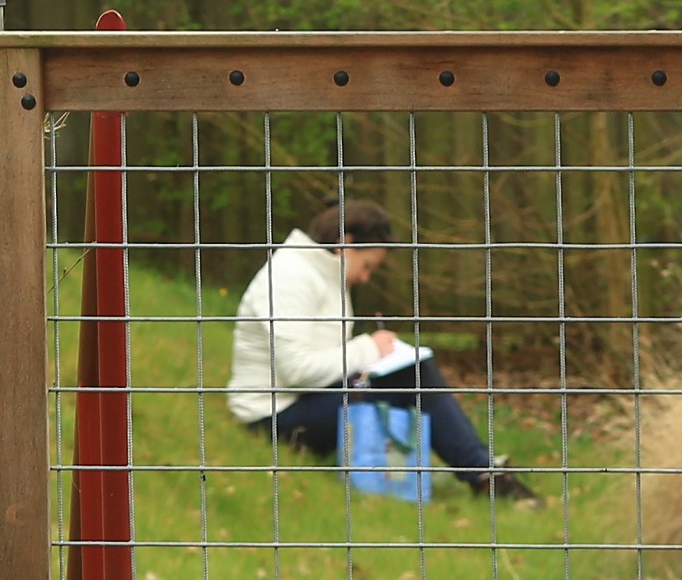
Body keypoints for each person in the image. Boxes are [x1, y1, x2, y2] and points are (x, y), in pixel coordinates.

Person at [226, 200, 537, 500]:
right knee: (413, 375)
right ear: (345, 243)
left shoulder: (322, 275)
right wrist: (367, 348)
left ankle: (471, 470)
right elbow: (296, 371)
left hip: (303, 402)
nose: (365, 277)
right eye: (367, 265)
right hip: (272, 419)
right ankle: (482, 474)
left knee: (410, 372)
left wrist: (374, 357)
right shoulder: (290, 277)